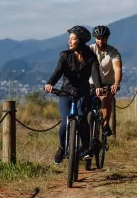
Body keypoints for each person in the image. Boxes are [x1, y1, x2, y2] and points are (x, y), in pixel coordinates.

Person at [44, 25, 104, 164]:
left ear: (81, 41)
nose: (69, 42)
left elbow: (95, 74)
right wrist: (50, 83)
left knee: (82, 119)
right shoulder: (65, 56)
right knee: (65, 123)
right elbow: (58, 72)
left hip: (83, 93)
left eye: (73, 39)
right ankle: (61, 147)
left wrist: (99, 87)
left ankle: (85, 148)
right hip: (66, 93)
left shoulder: (91, 57)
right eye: (69, 39)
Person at [90, 25, 122, 137]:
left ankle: (105, 124)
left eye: (103, 38)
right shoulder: (90, 49)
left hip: (106, 84)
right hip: (91, 83)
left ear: (107, 38)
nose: (101, 41)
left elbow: (117, 68)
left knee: (105, 97)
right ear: (95, 38)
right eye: (98, 38)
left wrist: (116, 83)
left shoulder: (113, 52)